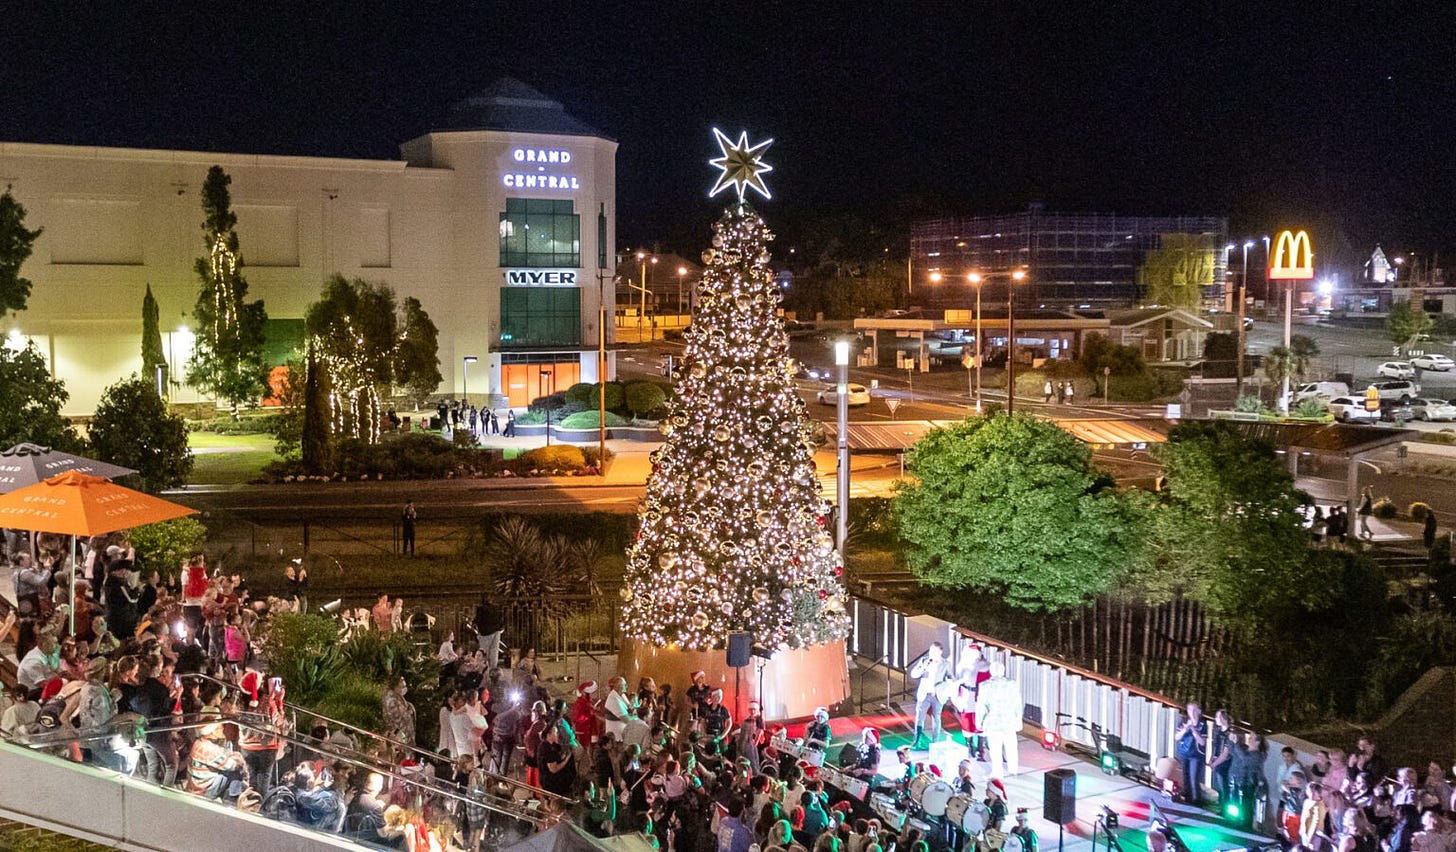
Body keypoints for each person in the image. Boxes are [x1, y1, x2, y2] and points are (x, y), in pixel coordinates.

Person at [976, 660, 1022, 778]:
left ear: (991, 671)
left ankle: (997, 771)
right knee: (1011, 746)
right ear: (1003, 671)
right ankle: (1013, 769)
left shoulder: (985, 686)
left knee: (995, 748)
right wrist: (1018, 720)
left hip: (993, 722)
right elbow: (1017, 704)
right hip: (1009, 721)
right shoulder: (1012, 684)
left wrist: (979, 722)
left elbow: (981, 706)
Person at [908, 642, 950, 749]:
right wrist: (923, 667)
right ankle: (917, 739)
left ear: (940, 652)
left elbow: (950, 678)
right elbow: (914, 674)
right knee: (919, 716)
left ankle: (935, 741)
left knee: (936, 717)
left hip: (937, 695)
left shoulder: (945, 664)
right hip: (924, 693)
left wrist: (942, 687)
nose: (932, 654)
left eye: (935, 652)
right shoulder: (924, 661)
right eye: (931, 651)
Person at [954, 641, 991, 759]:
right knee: (967, 722)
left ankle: (981, 748)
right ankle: (969, 745)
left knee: (982, 722)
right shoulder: (962, 667)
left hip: (981, 698)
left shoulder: (986, 667)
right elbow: (956, 683)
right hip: (967, 696)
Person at [1174, 703, 1208, 805]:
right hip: (1184, 753)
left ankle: (1197, 801)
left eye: (1194, 710)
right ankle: (1187, 799)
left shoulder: (1202, 724)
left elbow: (1202, 742)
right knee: (1186, 778)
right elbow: (1177, 737)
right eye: (1189, 710)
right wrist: (1185, 728)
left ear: (1199, 711)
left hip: (1196, 755)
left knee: (1194, 779)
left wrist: (1193, 729)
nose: (1192, 713)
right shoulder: (1184, 721)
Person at [383, 676, 417, 745]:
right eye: (401, 680)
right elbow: (399, 721)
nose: (404, 683)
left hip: (407, 738)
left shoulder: (400, 699)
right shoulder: (391, 700)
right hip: (399, 739)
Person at [474, 597, 504, 670]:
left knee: (484, 652)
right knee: (494, 651)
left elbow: (478, 620)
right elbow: (501, 618)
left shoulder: (481, 609)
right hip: (496, 631)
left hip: (485, 633)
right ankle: (493, 669)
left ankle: (484, 669)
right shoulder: (496, 608)